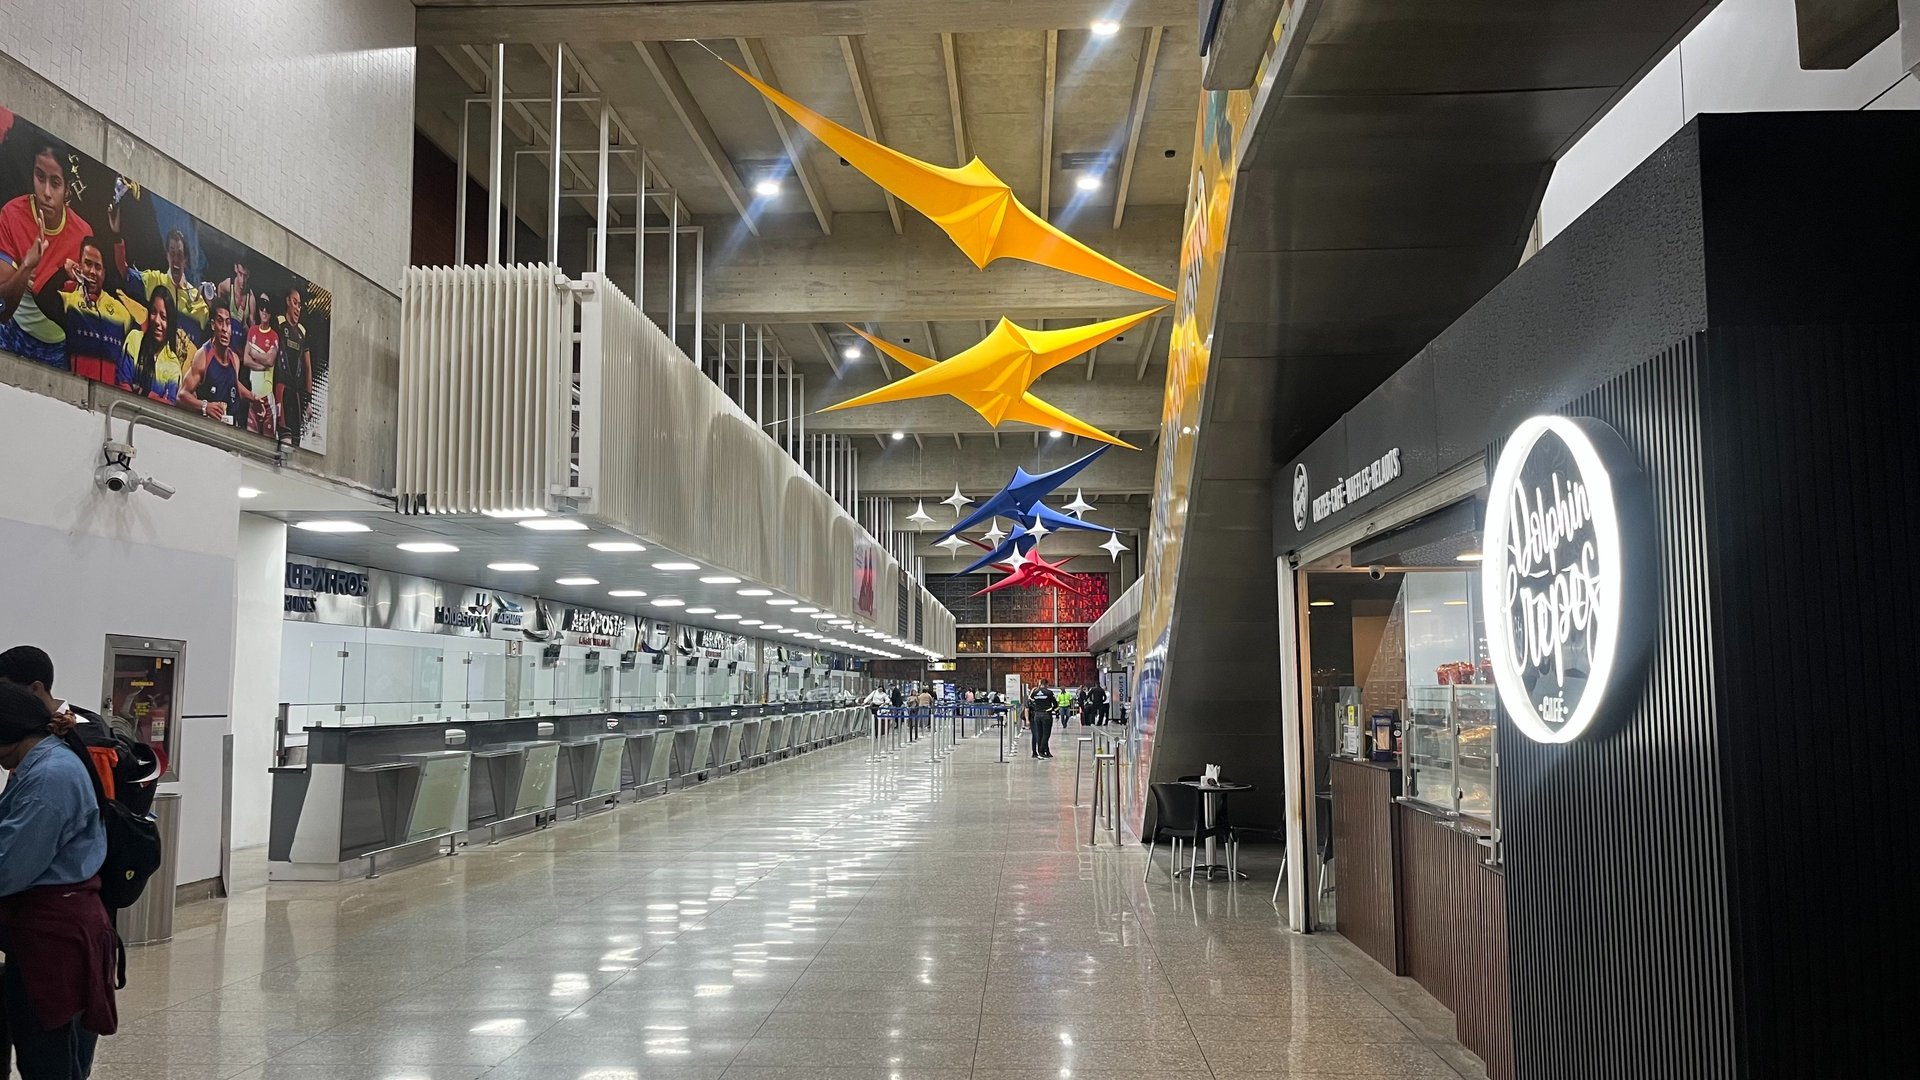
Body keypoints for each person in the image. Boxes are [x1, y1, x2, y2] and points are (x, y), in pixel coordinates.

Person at [0, 682, 117, 1079]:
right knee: (52, 1051)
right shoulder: (43, 762)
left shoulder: (49, 776)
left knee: (46, 1056)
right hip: (47, 926)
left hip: (52, 934)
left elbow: (11, 867)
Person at [0, 142, 94, 368]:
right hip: (12, 332)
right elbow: (2, 308)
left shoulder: (83, 235)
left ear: (68, 189)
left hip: (56, 347)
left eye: (55, 183)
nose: (46, 193)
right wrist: (26, 268)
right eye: (39, 177)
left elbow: (80, 311)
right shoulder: (12, 214)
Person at [44, 239, 133, 384]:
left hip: (111, 399)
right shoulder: (69, 302)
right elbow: (43, 296)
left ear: (103, 273)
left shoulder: (122, 313)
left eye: (98, 267)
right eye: (88, 264)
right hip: (72, 391)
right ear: (79, 266)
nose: (92, 272)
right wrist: (63, 273)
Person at [179, 301, 257, 425]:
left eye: (228, 323)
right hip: (207, 430)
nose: (224, 329)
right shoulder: (203, 356)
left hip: (231, 429)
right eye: (220, 322)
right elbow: (182, 395)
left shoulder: (234, 359)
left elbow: (232, 382)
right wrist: (205, 406)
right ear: (213, 325)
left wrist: (252, 397)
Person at [116, 286, 185, 404]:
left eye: (163, 317)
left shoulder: (173, 365)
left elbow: (168, 407)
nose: (157, 321)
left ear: (170, 323)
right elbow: (123, 385)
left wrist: (141, 391)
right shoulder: (134, 339)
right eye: (153, 312)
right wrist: (152, 396)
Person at [275, 286, 312, 444]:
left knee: (296, 443)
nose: (298, 308)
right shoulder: (278, 322)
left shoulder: (302, 332)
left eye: (300, 305)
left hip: (295, 394)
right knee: (284, 440)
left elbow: (308, 368)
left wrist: (308, 400)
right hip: (280, 389)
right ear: (288, 302)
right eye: (295, 303)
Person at [241, 294, 278, 433]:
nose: (264, 311)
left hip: (267, 399)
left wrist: (255, 354)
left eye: (267, 308)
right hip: (253, 398)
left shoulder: (273, 335)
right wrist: (261, 366)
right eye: (262, 307)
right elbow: (246, 359)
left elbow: (270, 360)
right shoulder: (253, 331)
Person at [1026, 682, 1055, 759]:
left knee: (1039, 734)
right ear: (1047, 685)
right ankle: (1041, 751)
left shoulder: (1034, 694)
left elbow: (1029, 704)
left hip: (1036, 715)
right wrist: (1051, 710)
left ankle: (1043, 751)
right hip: (1046, 715)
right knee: (1046, 734)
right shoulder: (1049, 693)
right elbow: (1055, 705)